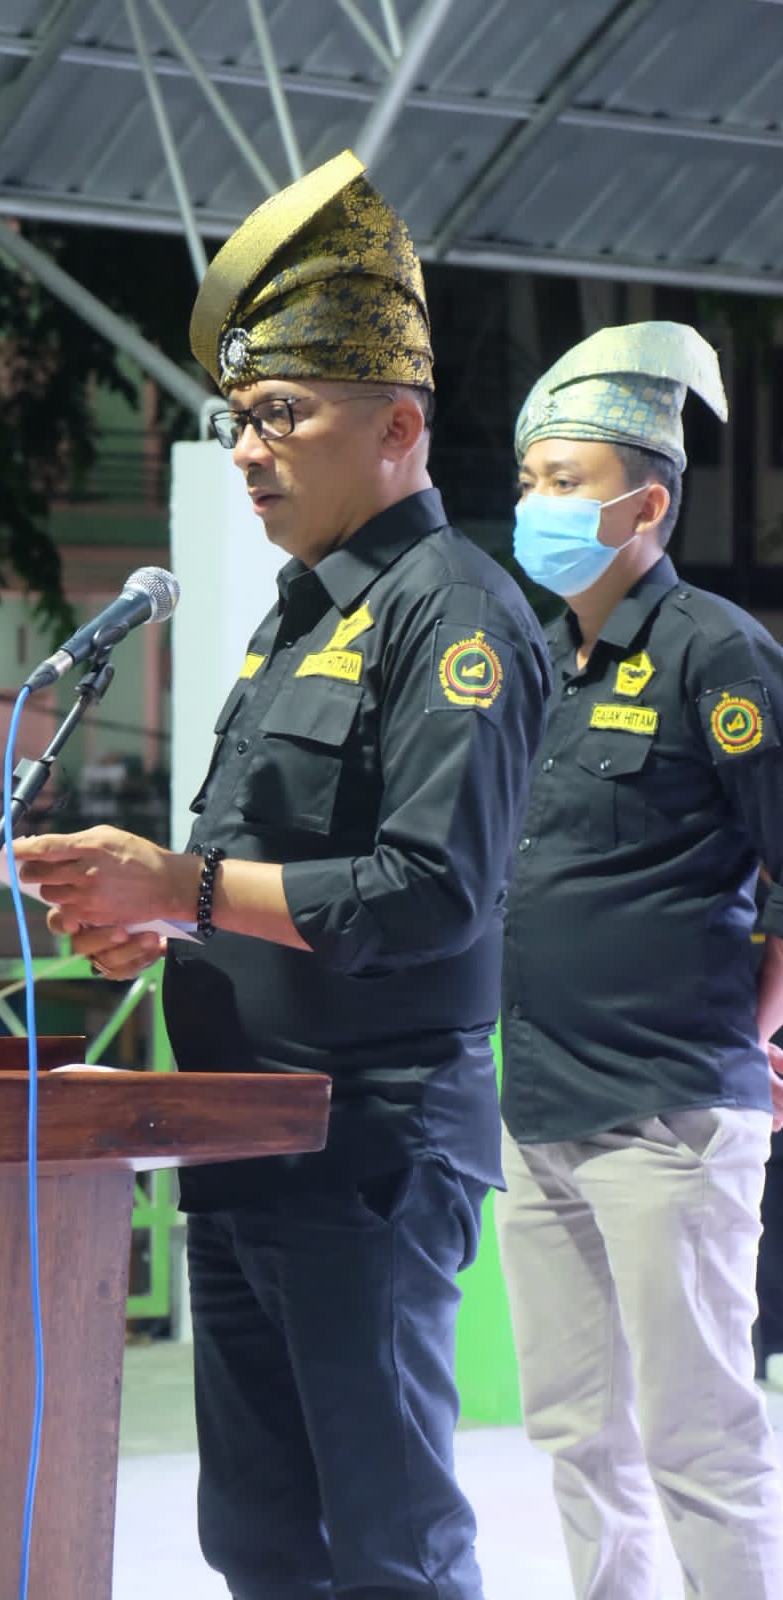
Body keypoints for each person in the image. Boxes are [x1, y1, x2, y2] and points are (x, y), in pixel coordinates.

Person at [14, 149, 550, 1600]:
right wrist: (156, 930)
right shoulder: (296, 617)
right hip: (244, 1125)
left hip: (369, 1141)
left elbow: (430, 894)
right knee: (255, 1534)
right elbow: (252, 866)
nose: (247, 450)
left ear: (396, 425)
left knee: (387, 1539)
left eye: (280, 415)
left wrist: (180, 889)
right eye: (236, 417)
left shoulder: (454, 616)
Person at [497, 320, 783, 1599]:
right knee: (575, 1439)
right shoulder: (531, 660)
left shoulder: (715, 651)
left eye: (561, 482)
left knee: (697, 1441)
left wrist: (753, 1037)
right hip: (536, 1112)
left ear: (644, 501)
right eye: (528, 481)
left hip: (668, 1118)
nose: (534, 505)